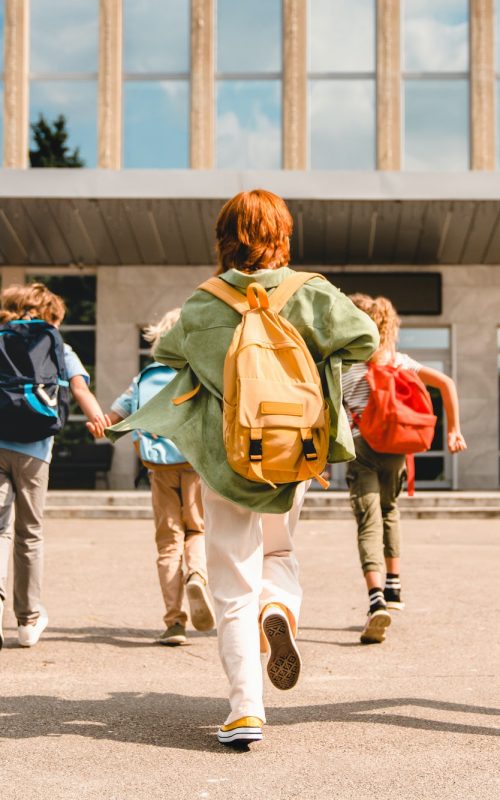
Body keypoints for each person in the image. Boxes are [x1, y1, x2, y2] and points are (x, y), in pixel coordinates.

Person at [106, 189, 379, 746]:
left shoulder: (204, 303)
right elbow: (365, 340)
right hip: (295, 453)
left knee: (231, 581)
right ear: (283, 235)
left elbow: (166, 357)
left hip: (227, 458)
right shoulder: (312, 293)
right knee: (278, 551)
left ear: (224, 237)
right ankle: (277, 606)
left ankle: (246, 708)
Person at [342, 294, 467, 645]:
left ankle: (375, 598)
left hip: (362, 448)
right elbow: (447, 384)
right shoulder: (398, 361)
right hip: (396, 449)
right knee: (390, 511)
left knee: (369, 521)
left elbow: (330, 412)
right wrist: (454, 430)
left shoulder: (346, 366)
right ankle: (394, 587)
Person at [88, 309, 214, 646]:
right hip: (194, 464)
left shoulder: (145, 378)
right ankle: (197, 575)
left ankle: (174, 622)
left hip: (158, 469)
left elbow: (112, 419)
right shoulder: (199, 373)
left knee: (168, 542)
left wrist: (98, 423)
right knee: (197, 530)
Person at [0, 283, 109, 650]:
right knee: (29, 533)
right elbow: (79, 389)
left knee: (0, 532)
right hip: (35, 450)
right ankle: (28, 621)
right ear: (50, 317)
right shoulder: (59, 345)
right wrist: (98, 421)